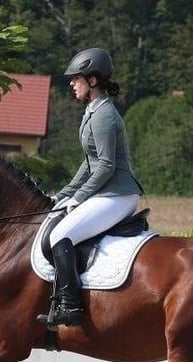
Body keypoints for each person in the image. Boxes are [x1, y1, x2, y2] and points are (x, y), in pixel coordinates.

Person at [41, 47, 143, 327]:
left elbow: (106, 166)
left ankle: (71, 307)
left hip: (118, 194)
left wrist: (80, 197)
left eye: (76, 79)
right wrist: (65, 194)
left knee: (60, 236)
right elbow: (89, 163)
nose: (72, 84)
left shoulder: (104, 116)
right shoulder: (92, 111)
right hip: (106, 192)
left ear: (93, 80)